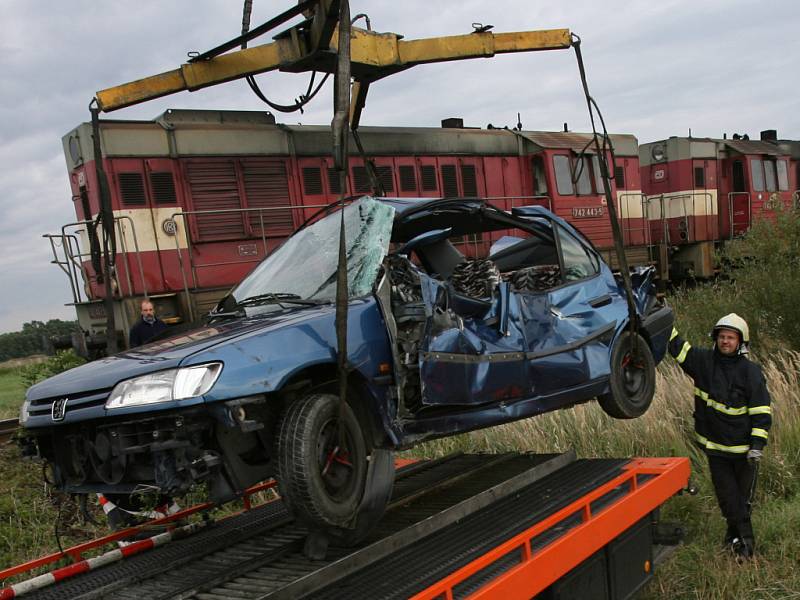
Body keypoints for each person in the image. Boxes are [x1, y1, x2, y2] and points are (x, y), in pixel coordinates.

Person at [669, 313, 772, 559]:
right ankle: (746, 544)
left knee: (741, 501)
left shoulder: (751, 372)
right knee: (728, 498)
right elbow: (678, 348)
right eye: (722, 337)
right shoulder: (703, 362)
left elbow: (761, 411)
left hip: (744, 451)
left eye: (731, 338)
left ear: (741, 342)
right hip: (716, 449)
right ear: (716, 339)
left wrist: (757, 445)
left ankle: (734, 537)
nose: (725, 342)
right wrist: (658, 319)